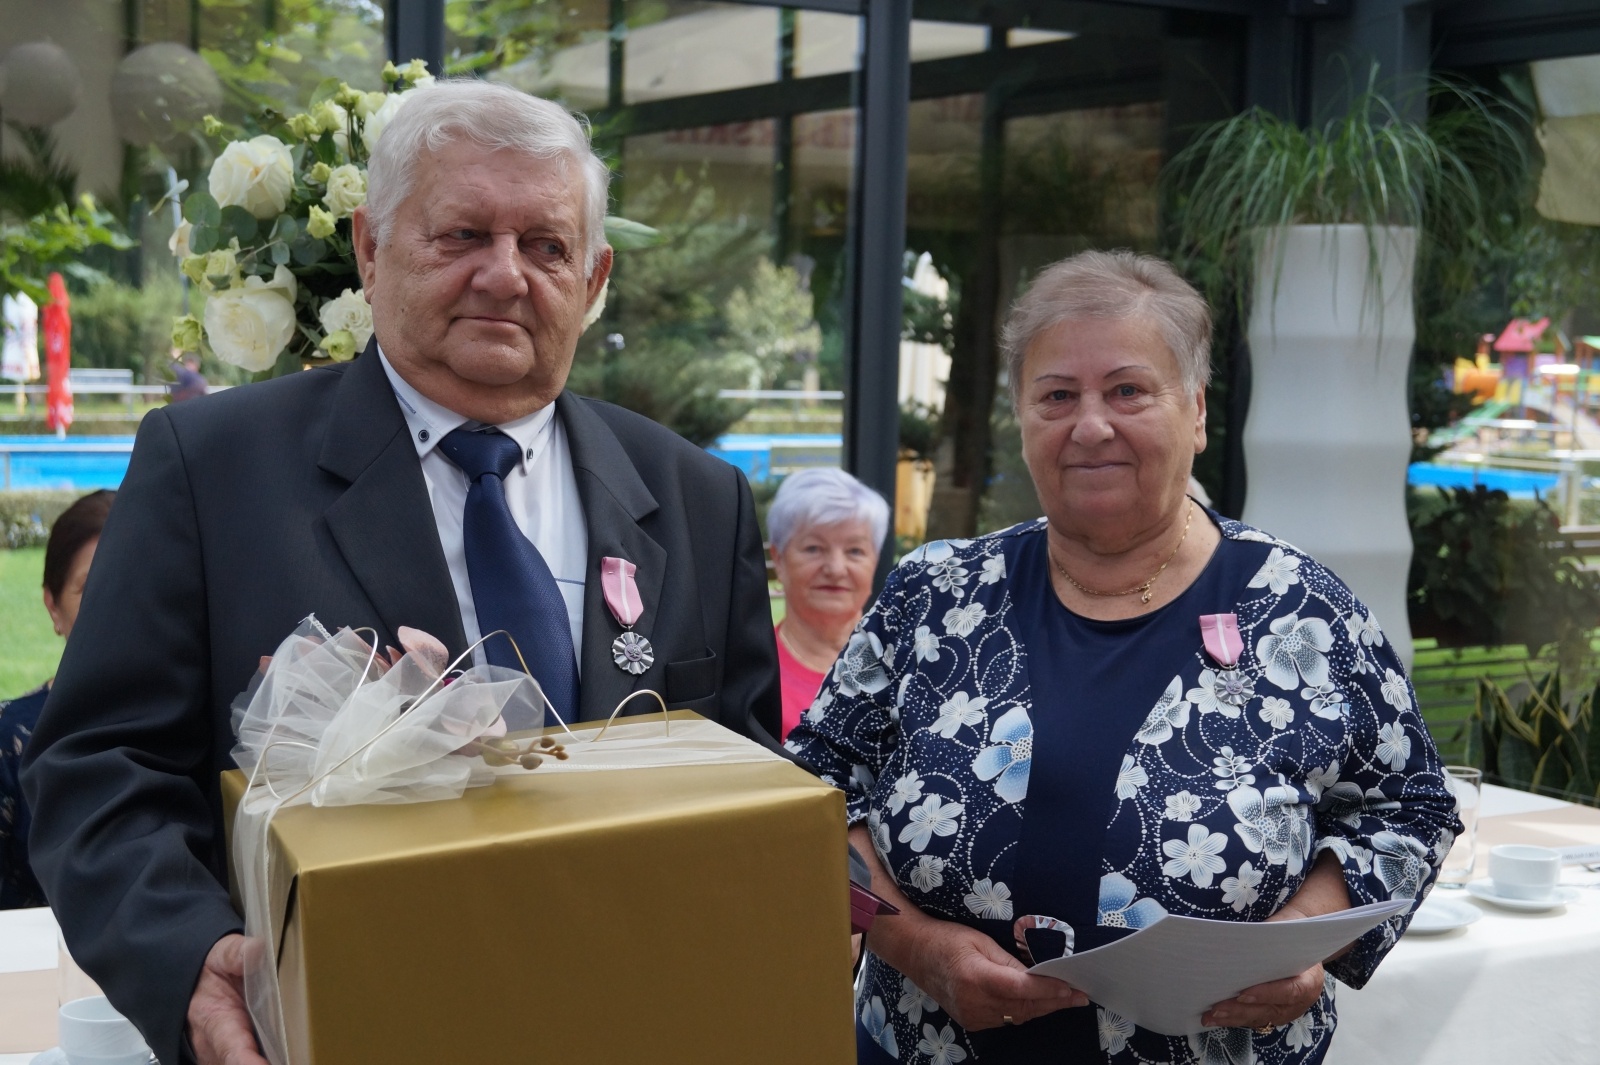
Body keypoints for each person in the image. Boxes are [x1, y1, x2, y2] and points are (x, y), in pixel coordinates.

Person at [24, 81, 781, 1065]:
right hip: (340, 1026)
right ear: (371, 249)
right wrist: (189, 956)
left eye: (544, 246)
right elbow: (99, 768)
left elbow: (745, 774)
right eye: (461, 234)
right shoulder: (213, 469)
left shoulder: (697, 498)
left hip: (632, 1023)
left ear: (593, 281)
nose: (505, 277)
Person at [784, 250, 1458, 1065]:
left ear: (1199, 411)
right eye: (1058, 395)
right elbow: (812, 790)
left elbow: (1410, 806)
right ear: (1023, 418)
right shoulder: (934, 594)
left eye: (1129, 391)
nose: (1091, 424)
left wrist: (1299, 941)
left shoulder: (1302, 610)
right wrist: (915, 946)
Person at [0, 489, 114, 910]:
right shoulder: (8, 739)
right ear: (53, 605)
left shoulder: (206, 723)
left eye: (128, 580)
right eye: (88, 587)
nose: (113, 604)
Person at [768, 467, 889, 740]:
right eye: (814, 548)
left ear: (875, 561)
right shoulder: (753, 676)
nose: (835, 568)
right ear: (779, 560)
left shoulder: (908, 665)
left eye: (855, 551)